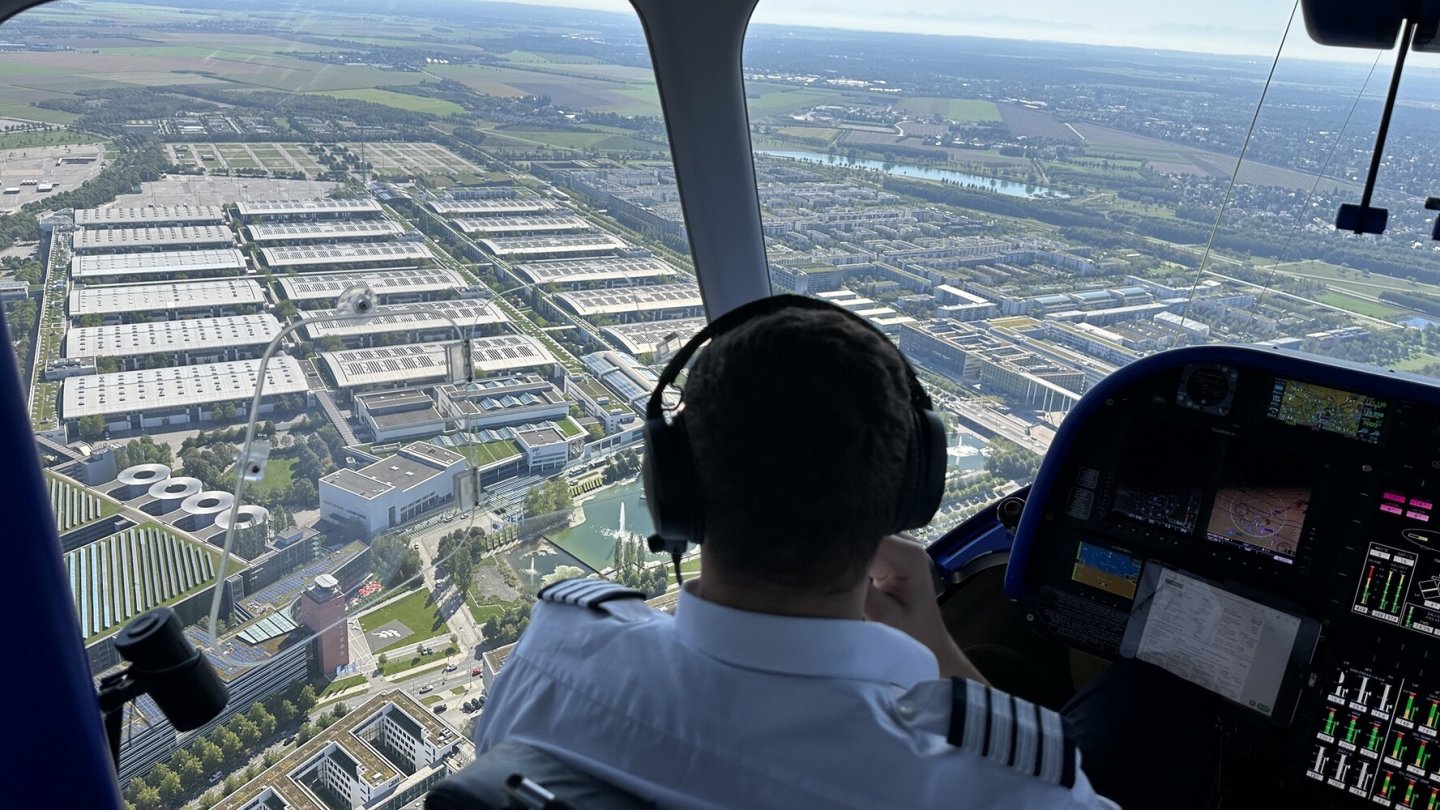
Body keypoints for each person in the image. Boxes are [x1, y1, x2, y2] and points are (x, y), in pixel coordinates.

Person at [474, 299, 1120, 808]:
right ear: (910, 497)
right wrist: (940, 657)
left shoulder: (550, 659)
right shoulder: (1001, 788)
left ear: (673, 489)